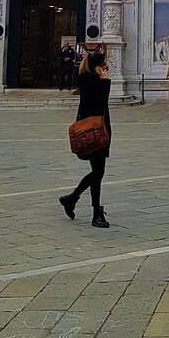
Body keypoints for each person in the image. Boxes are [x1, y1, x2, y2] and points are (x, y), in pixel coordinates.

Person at [59, 49, 112, 228]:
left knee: (97, 172)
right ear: (97, 67)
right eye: (104, 66)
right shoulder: (90, 81)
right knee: (98, 173)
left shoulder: (87, 79)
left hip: (97, 129)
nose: (106, 69)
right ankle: (96, 212)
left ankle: (71, 199)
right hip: (93, 131)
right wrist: (105, 81)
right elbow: (98, 102)